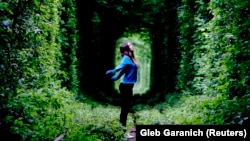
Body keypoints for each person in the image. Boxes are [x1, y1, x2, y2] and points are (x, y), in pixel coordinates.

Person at [106, 42, 138, 139]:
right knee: (125, 109)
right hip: (125, 87)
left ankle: (122, 131)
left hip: (128, 86)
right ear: (125, 49)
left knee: (126, 108)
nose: (132, 46)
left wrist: (117, 77)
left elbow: (124, 69)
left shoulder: (130, 58)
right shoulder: (126, 58)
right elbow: (120, 67)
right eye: (130, 45)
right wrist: (114, 71)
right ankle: (122, 131)